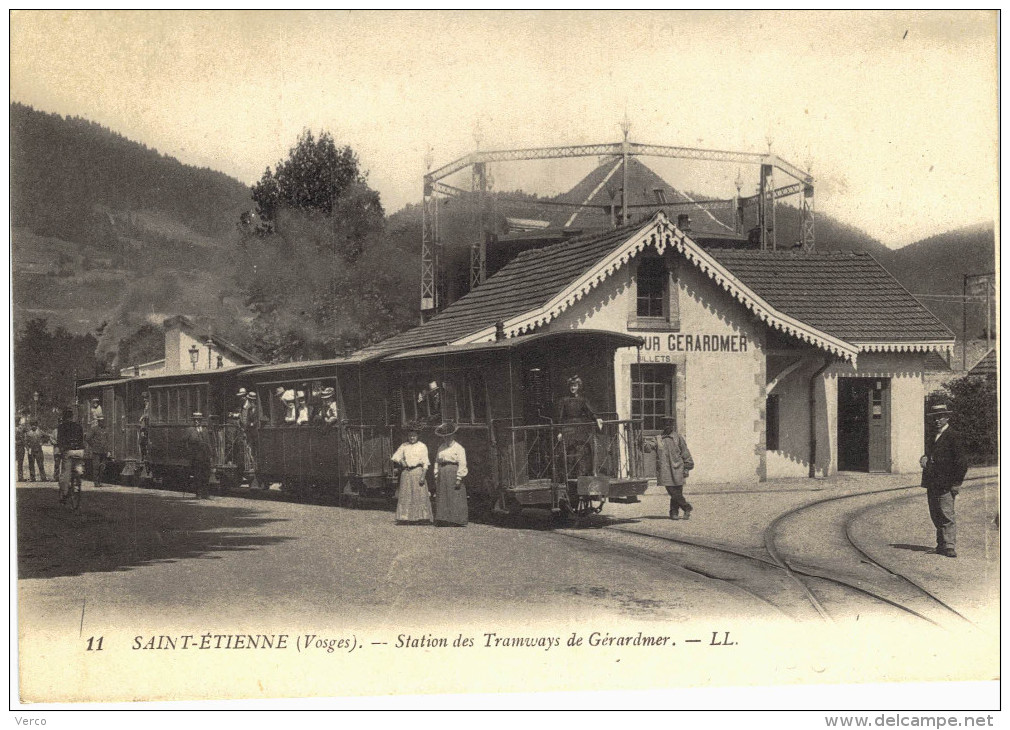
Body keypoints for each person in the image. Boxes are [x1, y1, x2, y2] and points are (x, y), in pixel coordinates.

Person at [920, 403, 968, 558]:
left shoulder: (954, 436)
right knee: (935, 513)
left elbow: (961, 462)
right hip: (932, 481)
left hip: (946, 482)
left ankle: (949, 546)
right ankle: (940, 544)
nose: (937, 421)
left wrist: (956, 483)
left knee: (947, 514)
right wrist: (924, 458)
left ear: (947, 417)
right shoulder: (932, 436)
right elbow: (928, 454)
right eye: (934, 418)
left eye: (940, 417)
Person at [643, 417, 695, 520]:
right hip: (665, 470)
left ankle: (674, 513)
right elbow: (648, 448)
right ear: (662, 426)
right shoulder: (658, 438)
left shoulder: (678, 438)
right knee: (672, 490)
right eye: (665, 425)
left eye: (669, 425)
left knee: (677, 493)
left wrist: (687, 467)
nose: (667, 427)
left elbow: (685, 453)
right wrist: (642, 444)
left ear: (672, 426)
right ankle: (687, 507)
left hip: (678, 469)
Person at [556, 374, 604, 479]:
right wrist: (559, 431)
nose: (573, 388)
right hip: (567, 428)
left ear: (579, 387)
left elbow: (590, 411)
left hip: (580, 428)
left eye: (575, 386)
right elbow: (560, 417)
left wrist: (597, 418)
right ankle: (568, 477)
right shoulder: (564, 400)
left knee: (582, 450)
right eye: (571, 386)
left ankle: (582, 475)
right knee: (568, 451)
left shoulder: (582, 400)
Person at [390, 424, 432, 523]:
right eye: (410, 436)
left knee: (419, 495)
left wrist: (423, 476)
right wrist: (401, 461)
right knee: (406, 495)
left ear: (417, 436)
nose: (412, 438)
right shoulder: (404, 445)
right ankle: (406, 518)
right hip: (406, 472)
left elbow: (425, 462)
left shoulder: (422, 446)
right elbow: (395, 456)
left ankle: (422, 518)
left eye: (414, 436)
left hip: (418, 471)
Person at [433, 421, 468, 526]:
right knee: (443, 496)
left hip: (453, 472)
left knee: (455, 496)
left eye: (449, 436)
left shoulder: (459, 448)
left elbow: (462, 463)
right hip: (442, 472)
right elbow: (437, 461)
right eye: (444, 437)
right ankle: (443, 519)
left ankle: (456, 520)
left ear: (453, 436)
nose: (446, 438)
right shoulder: (441, 447)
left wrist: (459, 478)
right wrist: (436, 474)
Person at [56, 408, 85, 502]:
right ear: (72, 417)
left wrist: (61, 449)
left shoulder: (61, 427)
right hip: (79, 451)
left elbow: (59, 440)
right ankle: (78, 478)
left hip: (68, 451)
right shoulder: (79, 426)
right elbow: (81, 439)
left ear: (64, 417)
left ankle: (64, 494)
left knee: (65, 473)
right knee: (78, 466)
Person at [185, 412, 214, 500]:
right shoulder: (190, 430)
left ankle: (206, 493)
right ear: (193, 421)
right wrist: (189, 452)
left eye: (199, 420)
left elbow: (208, 443)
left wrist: (211, 454)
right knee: (197, 475)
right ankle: (198, 493)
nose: (197, 421)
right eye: (195, 420)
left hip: (205, 456)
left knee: (206, 475)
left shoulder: (204, 430)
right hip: (196, 456)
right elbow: (184, 442)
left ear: (201, 421)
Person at [86, 415, 110, 487]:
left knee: (102, 467)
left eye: (103, 421)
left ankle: (100, 481)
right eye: (100, 421)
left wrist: (109, 450)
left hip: (104, 451)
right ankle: (96, 482)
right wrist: (93, 445)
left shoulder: (106, 430)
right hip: (96, 451)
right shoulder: (94, 429)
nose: (102, 422)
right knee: (96, 467)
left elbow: (108, 441)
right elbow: (88, 438)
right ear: (98, 422)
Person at [15, 415, 27, 482]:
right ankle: (20, 477)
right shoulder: (20, 428)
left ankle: (20, 477)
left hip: (20, 447)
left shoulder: (21, 428)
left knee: (20, 463)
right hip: (18, 446)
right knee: (20, 463)